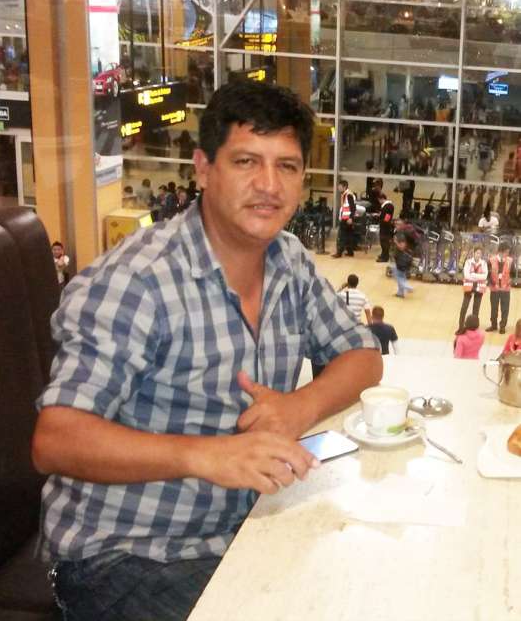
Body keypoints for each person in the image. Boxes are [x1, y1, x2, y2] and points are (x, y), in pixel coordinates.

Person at [31, 81, 382, 621]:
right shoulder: (138, 282)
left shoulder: (288, 260)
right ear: (203, 169)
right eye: (246, 161)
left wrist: (300, 407)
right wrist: (207, 454)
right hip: (122, 557)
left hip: (241, 531)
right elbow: (55, 439)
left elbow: (363, 355)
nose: (269, 185)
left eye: (287, 166)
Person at [458, 247, 488, 332]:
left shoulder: (484, 263)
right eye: (477, 253)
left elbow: (484, 276)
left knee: (476, 308)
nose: (478, 255)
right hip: (469, 286)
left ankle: (474, 328)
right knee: (464, 307)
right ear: (474, 253)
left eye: (480, 253)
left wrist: (473, 275)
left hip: (479, 287)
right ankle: (461, 327)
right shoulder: (468, 262)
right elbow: (466, 275)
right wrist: (478, 277)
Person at [486, 243, 513, 334]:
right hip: (495, 289)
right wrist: (492, 283)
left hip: (506, 289)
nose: (507, 254)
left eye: (508, 252)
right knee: (494, 308)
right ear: (501, 251)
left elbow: (513, 274)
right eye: (506, 252)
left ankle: (502, 326)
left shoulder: (510, 261)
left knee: (505, 309)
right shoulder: (491, 260)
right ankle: (493, 325)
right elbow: (487, 274)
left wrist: (510, 281)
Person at [333, 179, 356, 258]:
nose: (338, 188)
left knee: (341, 236)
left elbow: (353, 207)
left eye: (340, 186)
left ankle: (339, 253)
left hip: (346, 219)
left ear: (345, 187)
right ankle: (350, 252)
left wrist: (351, 218)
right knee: (348, 236)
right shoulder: (346, 194)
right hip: (346, 218)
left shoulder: (348, 195)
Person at [392, 234, 414, 298]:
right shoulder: (406, 248)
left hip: (399, 265)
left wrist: (396, 242)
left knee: (398, 278)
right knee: (402, 278)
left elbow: (399, 250)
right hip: (403, 266)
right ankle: (400, 293)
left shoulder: (399, 248)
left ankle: (407, 287)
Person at [377, 194, 394, 263]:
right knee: (382, 241)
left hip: (385, 226)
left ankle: (385, 257)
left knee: (385, 242)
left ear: (382, 199)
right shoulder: (385, 206)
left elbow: (387, 217)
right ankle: (383, 254)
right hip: (384, 225)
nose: (379, 202)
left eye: (379, 200)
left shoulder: (388, 206)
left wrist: (384, 221)